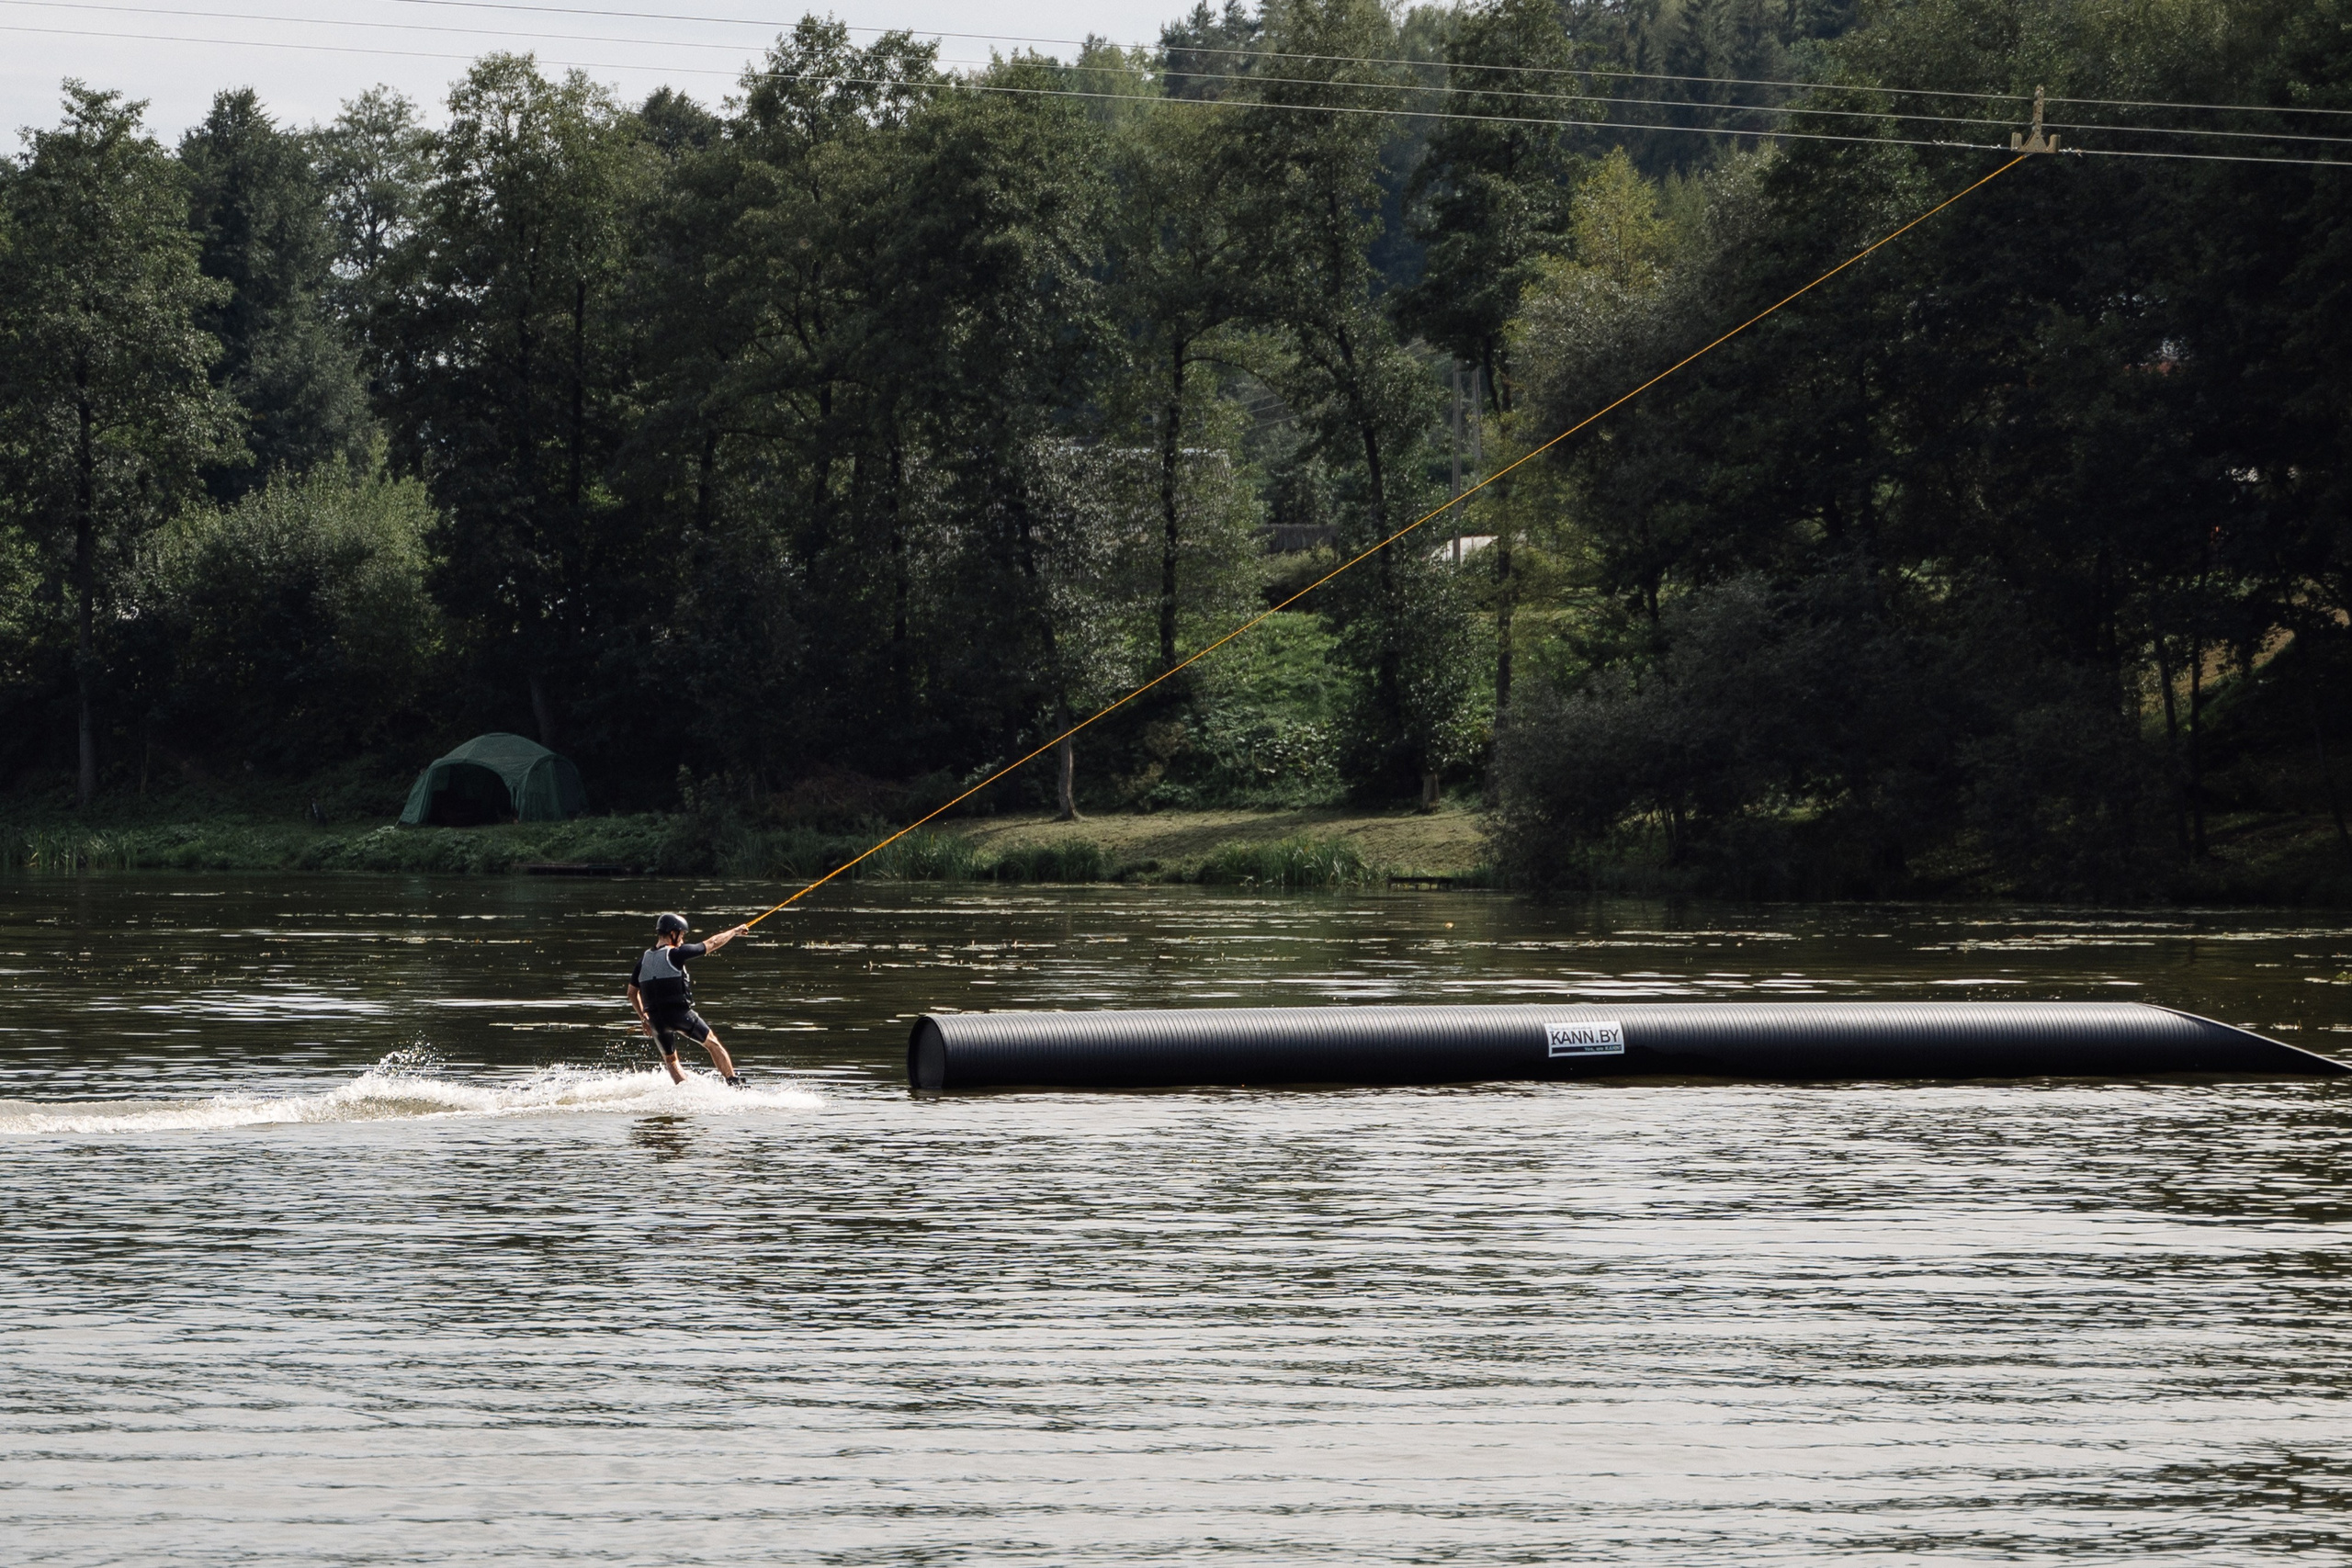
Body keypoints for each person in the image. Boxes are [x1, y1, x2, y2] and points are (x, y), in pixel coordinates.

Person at [628, 912, 752, 1086]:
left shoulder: (643, 961)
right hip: (680, 1014)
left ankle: (685, 1091)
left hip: (656, 1020)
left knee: (671, 1060)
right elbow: (713, 942)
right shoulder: (675, 954)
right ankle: (733, 1083)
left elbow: (632, 993)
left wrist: (644, 1017)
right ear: (673, 933)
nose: (682, 940)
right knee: (712, 1043)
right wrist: (735, 931)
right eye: (682, 935)